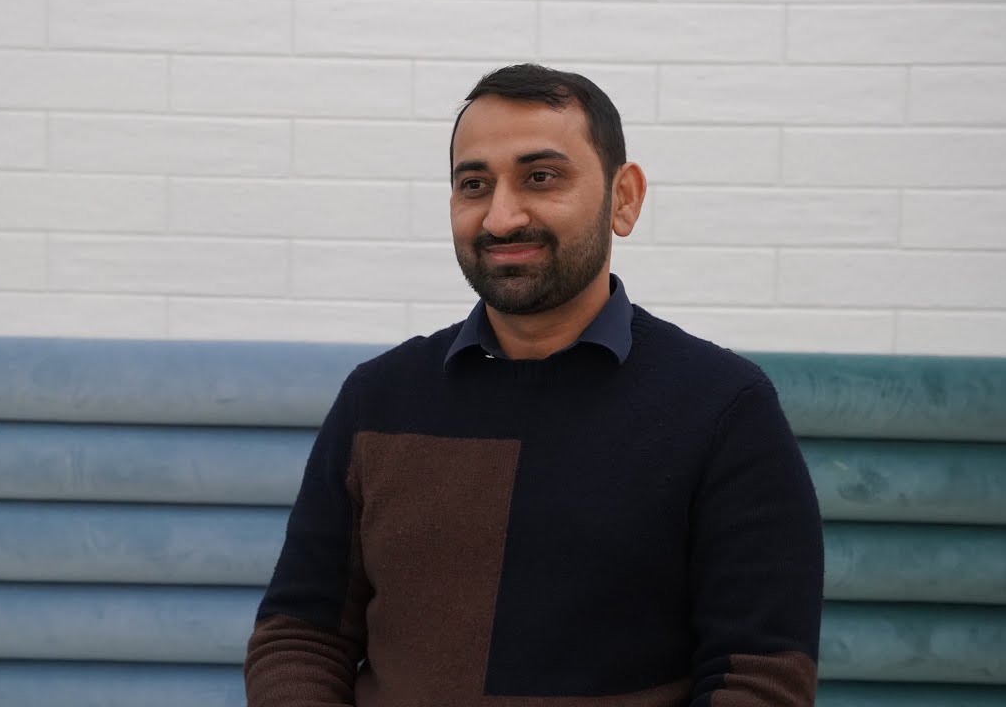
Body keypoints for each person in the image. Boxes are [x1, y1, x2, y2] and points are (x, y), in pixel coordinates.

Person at [245, 63, 824, 707]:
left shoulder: (724, 410)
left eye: (540, 177)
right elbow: (301, 635)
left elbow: (759, 678)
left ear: (623, 198)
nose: (500, 217)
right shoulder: (378, 397)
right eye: (474, 184)